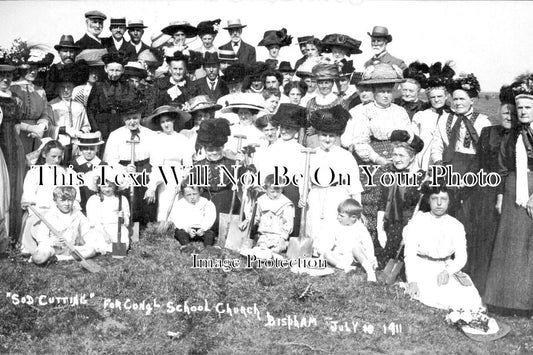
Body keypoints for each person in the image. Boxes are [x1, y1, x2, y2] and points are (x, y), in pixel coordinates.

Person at [483, 79, 533, 317]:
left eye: (527, 108)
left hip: (531, 188)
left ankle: (528, 302)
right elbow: (503, 165)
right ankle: (505, 300)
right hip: (513, 188)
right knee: (510, 243)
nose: (522, 112)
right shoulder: (513, 134)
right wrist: (502, 195)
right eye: (519, 108)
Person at [430, 73, 491, 265]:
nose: (458, 103)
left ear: (471, 100)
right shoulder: (445, 120)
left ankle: (467, 262)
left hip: (472, 172)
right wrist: (439, 166)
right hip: (448, 170)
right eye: (455, 99)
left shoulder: (482, 121)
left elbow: (484, 154)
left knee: (468, 215)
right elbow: (437, 146)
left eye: (462, 99)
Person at [403, 181, 484, 312]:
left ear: (449, 201)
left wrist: (448, 272)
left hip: (444, 267)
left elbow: (461, 257)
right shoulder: (419, 221)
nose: (439, 203)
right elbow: (409, 254)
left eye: (443, 199)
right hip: (422, 266)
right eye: (435, 199)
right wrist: (412, 281)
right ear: (429, 201)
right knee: (438, 296)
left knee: (468, 298)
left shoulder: (456, 225)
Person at [467, 84, 516, 295]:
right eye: (506, 112)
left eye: (513, 113)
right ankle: (479, 285)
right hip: (486, 191)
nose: (509, 116)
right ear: (499, 111)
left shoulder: (523, 137)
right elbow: (478, 164)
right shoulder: (488, 132)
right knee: (484, 236)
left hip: (512, 191)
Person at [301, 106, 363, 256]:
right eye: (323, 135)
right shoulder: (311, 154)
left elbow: (354, 185)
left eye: (331, 136)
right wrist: (303, 196)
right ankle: (314, 251)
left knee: (333, 225)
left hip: (337, 195)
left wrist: (356, 206)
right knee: (314, 224)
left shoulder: (345, 156)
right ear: (318, 135)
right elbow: (303, 180)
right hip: (316, 194)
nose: (327, 139)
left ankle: (332, 253)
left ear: (337, 136)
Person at [20, 140, 81, 254]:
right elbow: (29, 198)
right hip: (41, 213)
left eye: (59, 157)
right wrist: (39, 215)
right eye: (53, 156)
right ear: (44, 154)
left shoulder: (68, 173)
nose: (56, 160)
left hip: (63, 212)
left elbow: (75, 196)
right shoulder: (34, 173)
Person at [103, 101, 157, 226]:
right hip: (124, 168)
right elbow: (110, 160)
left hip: (144, 168)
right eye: (128, 119)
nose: (132, 122)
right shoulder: (115, 135)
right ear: (123, 119)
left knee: (145, 197)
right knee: (126, 197)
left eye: (135, 118)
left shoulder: (150, 134)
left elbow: (155, 158)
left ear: (140, 117)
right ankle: (127, 224)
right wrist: (124, 168)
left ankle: (145, 226)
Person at [376, 136, 425, 266]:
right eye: (395, 155)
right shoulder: (388, 172)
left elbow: (421, 210)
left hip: (410, 227)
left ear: (412, 157)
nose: (397, 159)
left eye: (402, 156)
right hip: (389, 225)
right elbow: (382, 202)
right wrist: (379, 230)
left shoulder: (422, 178)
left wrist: (410, 232)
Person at [191, 118, 241, 235]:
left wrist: (244, 164)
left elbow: (248, 178)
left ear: (223, 147)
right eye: (210, 150)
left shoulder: (232, 163)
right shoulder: (198, 165)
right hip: (206, 198)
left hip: (226, 200)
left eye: (217, 149)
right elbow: (191, 185)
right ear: (204, 149)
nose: (214, 153)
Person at [144, 105, 193, 221]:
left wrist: (184, 178)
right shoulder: (157, 139)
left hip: (180, 175)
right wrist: (152, 186)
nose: (166, 124)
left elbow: (188, 163)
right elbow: (156, 166)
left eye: (168, 121)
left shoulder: (182, 139)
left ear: (173, 121)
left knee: (180, 206)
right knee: (165, 205)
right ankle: (164, 232)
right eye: (163, 122)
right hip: (163, 175)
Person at [31, 186, 100, 265]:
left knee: (91, 251)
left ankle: (61, 259)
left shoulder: (78, 214)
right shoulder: (50, 215)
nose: (66, 204)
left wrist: (91, 244)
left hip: (70, 248)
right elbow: (41, 237)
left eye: (69, 200)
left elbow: (87, 232)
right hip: (52, 247)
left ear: (74, 200)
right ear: (55, 201)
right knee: (39, 258)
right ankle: (51, 256)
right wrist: (54, 242)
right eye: (62, 201)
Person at [411, 61, 455, 171]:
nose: (436, 100)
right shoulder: (421, 116)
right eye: (433, 97)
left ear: (446, 96)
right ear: (428, 98)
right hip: (423, 159)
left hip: (447, 159)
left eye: (440, 96)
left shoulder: (453, 115)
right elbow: (414, 140)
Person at [87, 51, 140, 142]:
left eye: (117, 70)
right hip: (103, 129)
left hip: (122, 128)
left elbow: (134, 109)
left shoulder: (128, 87)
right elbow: (90, 111)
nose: (114, 74)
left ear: (123, 70)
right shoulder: (98, 86)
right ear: (105, 69)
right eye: (111, 70)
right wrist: (96, 130)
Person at [10, 48, 55, 154]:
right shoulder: (12, 88)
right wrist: (30, 128)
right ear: (21, 69)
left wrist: (40, 127)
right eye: (29, 68)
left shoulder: (40, 90)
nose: (33, 72)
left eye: (35, 68)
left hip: (36, 134)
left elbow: (45, 113)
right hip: (17, 131)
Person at [0, 63, 25, 247]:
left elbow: (17, 125)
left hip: (14, 145)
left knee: (16, 188)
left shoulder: (15, 98)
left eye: (8, 76)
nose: (5, 80)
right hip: (1, 146)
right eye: (1, 76)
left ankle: (13, 237)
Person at [323, 199, 377, 281]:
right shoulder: (336, 226)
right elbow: (329, 243)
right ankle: (346, 267)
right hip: (341, 256)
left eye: (341, 216)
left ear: (353, 218)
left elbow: (368, 245)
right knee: (327, 254)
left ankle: (370, 272)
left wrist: (371, 260)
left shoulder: (360, 228)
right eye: (338, 215)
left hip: (355, 258)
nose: (338, 217)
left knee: (356, 249)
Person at [241, 174, 294, 254]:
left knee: (275, 249)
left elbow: (288, 223)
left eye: (278, 191)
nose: (275, 194)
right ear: (266, 189)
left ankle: (282, 246)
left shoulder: (285, 203)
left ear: (282, 189)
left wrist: (283, 238)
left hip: (278, 236)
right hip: (264, 235)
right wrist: (248, 220)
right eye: (272, 192)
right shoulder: (261, 201)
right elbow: (255, 217)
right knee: (261, 248)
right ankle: (263, 247)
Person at [48, 64, 91, 162]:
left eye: (69, 87)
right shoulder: (51, 105)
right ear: (58, 88)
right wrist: (64, 129)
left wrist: (82, 133)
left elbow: (86, 125)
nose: (66, 90)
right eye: (63, 87)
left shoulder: (79, 106)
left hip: (77, 143)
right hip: (59, 142)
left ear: (73, 88)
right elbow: (48, 128)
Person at [86, 168, 130, 254]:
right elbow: (94, 220)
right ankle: (102, 248)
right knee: (97, 242)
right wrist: (105, 234)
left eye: (110, 186)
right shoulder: (94, 199)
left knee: (122, 240)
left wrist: (122, 218)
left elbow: (126, 220)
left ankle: (116, 249)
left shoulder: (121, 199)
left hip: (117, 228)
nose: (107, 189)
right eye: (104, 186)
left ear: (115, 186)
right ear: (99, 186)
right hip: (100, 229)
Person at [305, 64, 346, 148]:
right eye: (320, 83)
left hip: (332, 140)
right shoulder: (311, 102)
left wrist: (317, 130)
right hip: (313, 141)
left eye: (327, 82)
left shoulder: (340, 102)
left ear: (332, 83)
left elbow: (342, 125)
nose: (324, 86)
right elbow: (307, 124)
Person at [68, 132, 106, 213]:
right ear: (80, 149)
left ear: (97, 148)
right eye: (85, 148)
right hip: (79, 205)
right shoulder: (72, 165)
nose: (89, 152)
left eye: (92, 148)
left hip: (98, 206)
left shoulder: (103, 165)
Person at [181, 95, 222, 159]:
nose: (203, 119)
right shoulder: (186, 134)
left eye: (205, 115)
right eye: (199, 116)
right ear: (194, 117)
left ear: (209, 116)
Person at [45, 35, 82, 101]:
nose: (68, 55)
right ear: (59, 53)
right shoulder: (54, 69)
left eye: (71, 51)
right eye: (65, 51)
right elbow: (49, 92)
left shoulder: (79, 69)